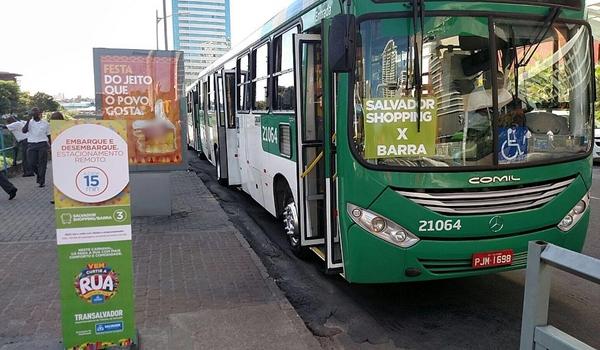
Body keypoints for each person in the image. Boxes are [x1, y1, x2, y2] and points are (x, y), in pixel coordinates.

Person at [22, 108, 50, 188]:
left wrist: (50, 145)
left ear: (39, 114)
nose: (33, 114)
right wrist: (27, 121)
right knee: (31, 163)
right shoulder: (29, 122)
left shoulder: (45, 123)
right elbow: (24, 131)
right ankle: (40, 175)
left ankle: (41, 181)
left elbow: (49, 135)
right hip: (31, 145)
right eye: (32, 112)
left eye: (35, 112)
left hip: (42, 144)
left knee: (42, 164)